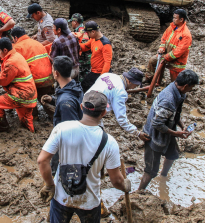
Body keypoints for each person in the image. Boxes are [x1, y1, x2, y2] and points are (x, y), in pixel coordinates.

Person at [37, 90, 131, 222]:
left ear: (81, 107)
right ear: (103, 113)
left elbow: (42, 161)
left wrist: (49, 185)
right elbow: (116, 181)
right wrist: (125, 185)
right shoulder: (109, 142)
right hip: (89, 201)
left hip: (61, 197)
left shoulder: (62, 128)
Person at [138, 70, 199, 190]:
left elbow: (175, 113)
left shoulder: (179, 92)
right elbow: (157, 124)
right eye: (191, 87)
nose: (191, 90)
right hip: (154, 135)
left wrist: (182, 125)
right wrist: (176, 133)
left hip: (167, 130)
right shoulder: (168, 100)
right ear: (186, 86)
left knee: (172, 155)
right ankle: (139, 191)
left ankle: (164, 176)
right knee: (151, 170)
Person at [41, 55, 84, 176]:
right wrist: (53, 99)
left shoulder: (66, 102)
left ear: (56, 73)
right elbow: (71, 101)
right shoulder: (74, 86)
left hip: (66, 143)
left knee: (58, 171)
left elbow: (70, 132)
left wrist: (63, 157)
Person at [0, 38, 38, 133]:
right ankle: (31, 133)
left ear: (5, 50)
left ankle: (2, 129)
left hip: (21, 94)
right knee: (26, 117)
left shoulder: (11, 62)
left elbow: (3, 81)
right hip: (30, 93)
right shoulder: (17, 55)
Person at [87, 67, 151, 141]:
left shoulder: (108, 75)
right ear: (129, 81)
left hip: (83, 104)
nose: (134, 88)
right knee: (98, 140)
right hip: (92, 115)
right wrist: (137, 133)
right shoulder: (120, 92)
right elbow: (121, 118)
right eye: (135, 86)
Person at [11, 26, 54, 119]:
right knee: (44, 99)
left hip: (35, 81)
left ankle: (33, 116)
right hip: (49, 78)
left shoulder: (17, 48)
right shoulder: (37, 43)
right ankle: (56, 114)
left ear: (15, 38)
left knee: (29, 97)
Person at [145, 9, 192, 83]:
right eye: (173, 17)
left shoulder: (186, 34)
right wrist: (162, 48)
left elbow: (178, 51)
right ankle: (149, 79)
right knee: (152, 61)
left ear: (181, 19)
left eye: (175, 18)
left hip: (177, 62)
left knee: (176, 82)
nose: (173, 20)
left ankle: (177, 91)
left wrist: (166, 57)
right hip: (165, 55)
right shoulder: (172, 27)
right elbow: (164, 38)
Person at [80, 21, 113, 93]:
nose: (87, 35)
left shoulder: (105, 44)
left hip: (100, 73)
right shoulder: (93, 39)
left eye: (88, 33)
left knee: (86, 88)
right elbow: (85, 46)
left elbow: (107, 62)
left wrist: (101, 79)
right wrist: (75, 43)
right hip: (94, 70)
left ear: (93, 32)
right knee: (83, 86)